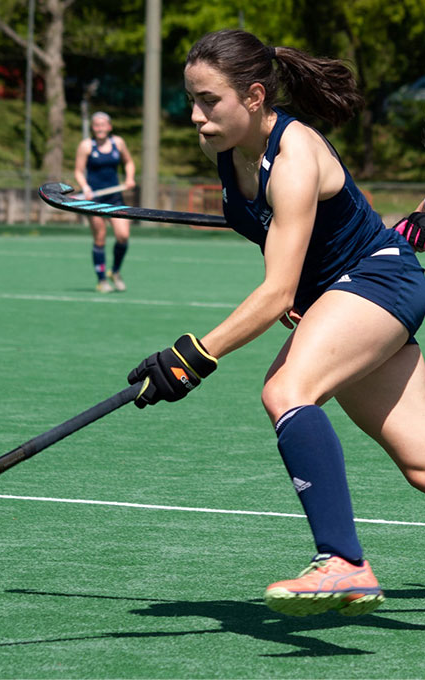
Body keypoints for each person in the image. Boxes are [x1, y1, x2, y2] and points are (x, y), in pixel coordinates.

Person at [126, 29, 425, 618]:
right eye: (191, 100)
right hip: (341, 293)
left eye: (209, 100)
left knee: (287, 390)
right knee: (421, 465)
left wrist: (192, 354)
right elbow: (294, 261)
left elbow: (275, 291)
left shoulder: (293, 156)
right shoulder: (227, 153)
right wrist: (311, 295)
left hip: (379, 282)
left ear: (255, 96)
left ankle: (343, 563)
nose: (195, 116)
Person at [74, 112, 136, 293]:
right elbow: (78, 171)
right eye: (96, 125)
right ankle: (101, 280)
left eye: (103, 125)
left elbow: (129, 162)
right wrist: (84, 187)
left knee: (123, 236)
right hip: (94, 199)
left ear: (109, 127)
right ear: (93, 128)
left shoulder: (118, 143)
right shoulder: (86, 146)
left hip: (115, 198)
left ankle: (115, 271)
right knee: (100, 238)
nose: (100, 128)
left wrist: (130, 178)